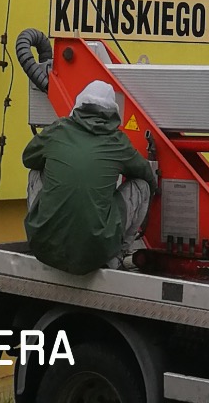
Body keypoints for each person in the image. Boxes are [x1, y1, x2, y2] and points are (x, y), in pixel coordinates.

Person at [22, 80, 159, 274]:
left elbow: (28, 158)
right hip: (96, 253)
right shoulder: (118, 142)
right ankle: (119, 255)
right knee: (142, 186)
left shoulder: (57, 130)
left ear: (78, 105)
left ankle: (42, 227)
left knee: (36, 171)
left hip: (43, 248)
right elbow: (146, 175)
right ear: (113, 113)